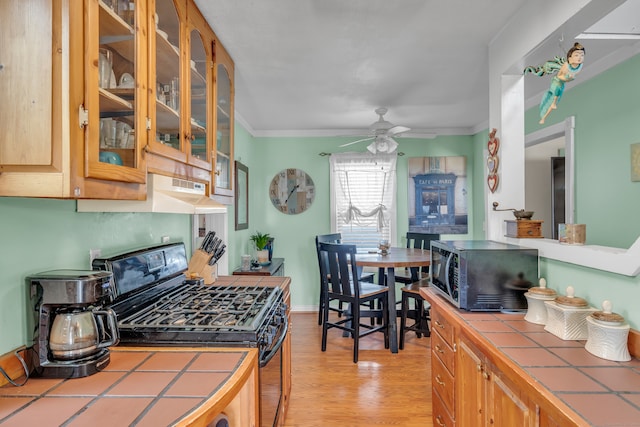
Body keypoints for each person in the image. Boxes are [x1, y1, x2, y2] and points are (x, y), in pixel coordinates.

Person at [526, 42, 585, 124]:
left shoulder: (580, 66)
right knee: (555, 94)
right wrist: (566, 78)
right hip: (557, 81)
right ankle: (547, 112)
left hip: (562, 83)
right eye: (576, 55)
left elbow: (570, 78)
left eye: (582, 55)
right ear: (570, 58)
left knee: (555, 98)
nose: (580, 58)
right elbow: (559, 76)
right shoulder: (566, 66)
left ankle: (544, 117)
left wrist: (569, 79)